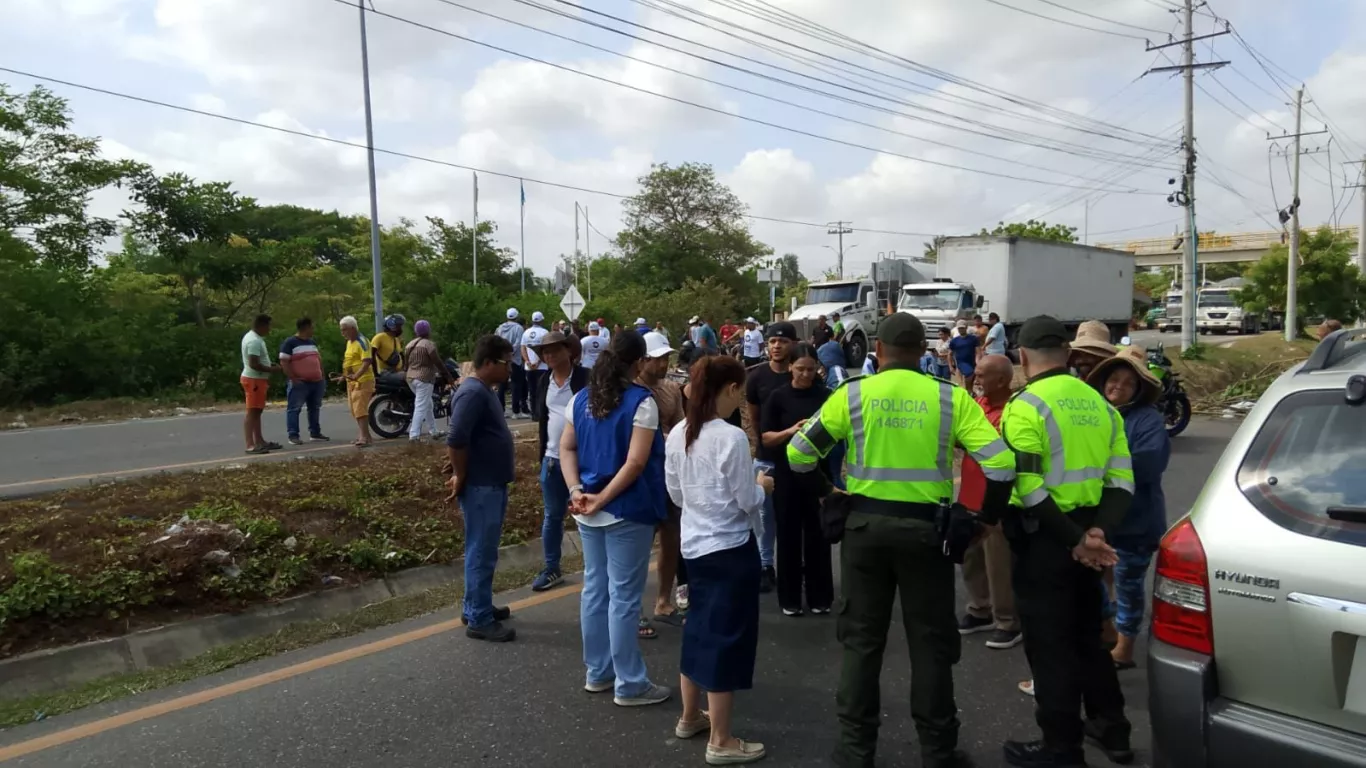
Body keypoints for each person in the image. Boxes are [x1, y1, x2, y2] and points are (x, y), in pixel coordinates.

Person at [787, 312, 1016, 768]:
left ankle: (855, 751)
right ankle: (938, 751)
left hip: (864, 532)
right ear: (922, 352)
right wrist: (982, 520)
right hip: (926, 535)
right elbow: (1002, 466)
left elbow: (797, 455)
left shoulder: (852, 394)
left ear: (879, 351)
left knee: (861, 641)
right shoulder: (950, 399)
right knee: (930, 644)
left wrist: (830, 493)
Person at [995, 315, 1134, 768]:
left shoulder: (1026, 406)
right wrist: (1096, 534)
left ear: (1023, 357)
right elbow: (1121, 482)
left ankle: (1061, 749)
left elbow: (1030, 487)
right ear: (1070, 356)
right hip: (1090, 539)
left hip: (1048, 542)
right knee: (1088, 637)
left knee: (1051, 646)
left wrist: (1075, 538)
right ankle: (1112, 729)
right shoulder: (1102, 407)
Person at [665, 354, 773, 765]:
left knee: (697, 629)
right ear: (729, 390)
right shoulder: (728, 437)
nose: (740, 401)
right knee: (726, 640)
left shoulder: (678, 433)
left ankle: (690, 716)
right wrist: (763, 486)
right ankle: (721, 740)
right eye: (739, 393)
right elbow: (747, 501)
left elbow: (675, 494)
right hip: (730, 549)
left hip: (693, 548)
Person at [557, 330, 671, 707]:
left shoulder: (580, 399)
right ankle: (631, 684)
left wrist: (577, 491)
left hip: (586, 509)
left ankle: (599, 673)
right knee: (623, 596)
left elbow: (566, 448)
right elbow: (636, 462)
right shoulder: (642, 402)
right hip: (627, 509)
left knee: (595, 590)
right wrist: (603, 498)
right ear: (639, 362)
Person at [1086, 346, 1169, 671]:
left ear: (1139, 389)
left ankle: (1125, 647)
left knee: (1128, 584)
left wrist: (1101, 466)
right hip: (1100, 521)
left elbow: (1148, 466)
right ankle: (1108, 629)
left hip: (1136, 521)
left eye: (1128, 382)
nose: (1117, 386)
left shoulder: (1148, 421)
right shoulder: (1095, 413)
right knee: (1094, 579)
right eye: (1113, 379)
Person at [446, 334, 518, 643]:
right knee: (481, 551)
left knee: (484, 549)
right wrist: (460, 473)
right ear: (488, 363)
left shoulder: (483, 390)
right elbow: (457, 436)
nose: (510, 369)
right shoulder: (473, 392)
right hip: (480, 485)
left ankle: (477, 604)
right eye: (506, 363)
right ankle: (478, 618)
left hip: (491, 481)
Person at [761, 343, 834, 617]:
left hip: (818, 475)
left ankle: (820, 596)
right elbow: (766, 437)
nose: (805, 374)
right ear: (790, 366)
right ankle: (789, 598)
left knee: (818, 535)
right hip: (786, 476)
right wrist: (792, 431)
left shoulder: (826, 396)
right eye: (800, 369)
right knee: (789, 536)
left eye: (811, 369)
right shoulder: (778, 397)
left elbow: (838, 433)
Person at [957, 355, 1021, 650]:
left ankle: (1007, 621)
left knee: (998, 562)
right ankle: (979, 609)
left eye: (982, 375)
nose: (976, 379)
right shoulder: (977, 407)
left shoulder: (1015, 412)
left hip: (996, 500)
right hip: (969, 495)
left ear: (1002, 380)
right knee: (971, 557)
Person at [530, 331, 589, 593]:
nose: (549, 355)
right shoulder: (544, 380)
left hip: (583, 460)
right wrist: (543, 454)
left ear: (569, 351)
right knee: (552, 516)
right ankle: (552, 568)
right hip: (552, 460)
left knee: (587, 514)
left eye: (554, 350)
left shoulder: (586, 379)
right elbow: (543, 418)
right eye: (545, 352)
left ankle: (596, 569)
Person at [637, 331, 689, 626]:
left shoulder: (671, 390)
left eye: (666, 358)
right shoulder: (629, 391)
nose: (663, 364)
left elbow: (681, 427)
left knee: (672, 540)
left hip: (669, 476)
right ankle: (635, 610)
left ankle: (663, 601)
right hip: (641, 476)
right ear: (642, 361)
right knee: (639, 545)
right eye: (658, 359)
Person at [745, 321, 798, 593]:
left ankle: (794, 565)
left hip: (798, 458)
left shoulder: (800, 373)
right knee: (764, 515)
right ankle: (766, 565)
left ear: (793, 344)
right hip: (767, 456)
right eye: (772, 342)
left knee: (791, 513)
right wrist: (765, 440)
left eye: (782, 341)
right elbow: (755, 418)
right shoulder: (757, 378)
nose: (776, 346)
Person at [279, 316, 329, 446]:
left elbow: (318, 359)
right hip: (300, 382)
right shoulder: (290, 342)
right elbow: (284, 362)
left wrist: (322, 376)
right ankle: (293, 435)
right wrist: (293, 378)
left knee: (314, 408)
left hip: (316, 381)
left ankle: (315, 432)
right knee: (294, 409)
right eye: (312, 327)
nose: (313, 329)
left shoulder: (311, 342)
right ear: (305, 328)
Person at [404, 320, 453, 442]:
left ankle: (434, 431)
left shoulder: (409, 345)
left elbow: (406, 363)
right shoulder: (429, 344)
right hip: (424, 379)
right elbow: (437, 361)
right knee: (421, 406)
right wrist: (447, 374)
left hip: (410, 378)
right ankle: (414, 435)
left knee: (428, 404)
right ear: (428, 331)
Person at [240, 313, 282, 454]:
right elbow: (254, 364)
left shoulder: (256, 338)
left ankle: (259, 440)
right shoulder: (254, 341)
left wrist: (269, 365)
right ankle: (250, 444)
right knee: (252, 411)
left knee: (257, 411)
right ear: (262, 325)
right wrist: (272, 369)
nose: (269, 329)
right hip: (254, 379)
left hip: (258, 379)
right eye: (268, 326)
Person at [337, 315, 375, 447]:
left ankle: (364, 437)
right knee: (355, 410)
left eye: (344, 330)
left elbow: (367, 361)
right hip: (351, 382)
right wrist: (344, 376)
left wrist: (357, 375)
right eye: (341, 330)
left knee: (360, 409)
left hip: (363, 380)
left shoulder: (362, 341)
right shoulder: (349, 343)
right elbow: (350, 361)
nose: (343, 333)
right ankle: (364, 436)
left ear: (352, 328)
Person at [496, 308, 528, 419]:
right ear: (516, 317)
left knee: (502, 385)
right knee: (516, 385)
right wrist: (510, 354)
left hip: (501, 360)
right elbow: (518, 342)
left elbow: (496, 341)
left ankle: (501, 410)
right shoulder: (518, 328)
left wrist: (502, 355)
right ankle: (516, 411)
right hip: (515, 360)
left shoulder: (500, 327)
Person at [522, 311, 550, 416]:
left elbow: (523, 348)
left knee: (532, 390)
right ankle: (542, 412)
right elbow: (545, 349)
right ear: (542, 320)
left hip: (529, 368)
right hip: (542, 366)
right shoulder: (545, 332)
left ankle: (534, 413)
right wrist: (538, 361)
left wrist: (528, 361)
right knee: (542, 390)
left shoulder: (526, 332)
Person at [948, 319, 980, 391]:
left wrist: (978, 362)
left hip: (972, 362)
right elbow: (949, 354)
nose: (961, 329)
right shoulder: (954, 340)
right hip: (961, 362)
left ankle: (970, 394)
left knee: (972, 382)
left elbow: (978, 352)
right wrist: (950, 366)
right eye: (959, 328)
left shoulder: (973, 339)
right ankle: (967, 392)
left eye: (962, 328)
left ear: (966, 327)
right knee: (969, 375)